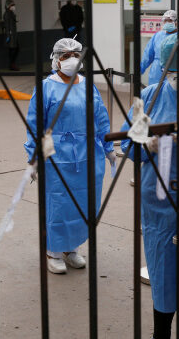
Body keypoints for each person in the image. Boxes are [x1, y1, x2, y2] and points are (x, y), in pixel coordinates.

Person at [120, 33, 179, 339]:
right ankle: (161, 333)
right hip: (158, 203)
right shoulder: (151, 96)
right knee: (164, 272)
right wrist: (147, 145)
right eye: (173, 73)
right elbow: (129, 145)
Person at [24, 38, 116, 274]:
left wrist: (109, 148)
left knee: (83, 204)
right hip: (56, 156)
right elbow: (35, 124)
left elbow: (100, 117)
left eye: (75, 55)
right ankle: (53, 251)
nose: (71, 60)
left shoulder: (88, 85)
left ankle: (71, 248)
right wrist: (33, 157)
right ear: (55, 60)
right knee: (59, 202)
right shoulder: (46, 87)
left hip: (89, 155)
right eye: (65, 56)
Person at [141, 10, 178, 86]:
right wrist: (139, 70)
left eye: (170, 20)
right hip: (156, 73)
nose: (167, 23)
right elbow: (147, 56)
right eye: (165, 20)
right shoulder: (157, 36)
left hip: (174, 72)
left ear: (176, 22)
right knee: (155, 95)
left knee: (171, 95)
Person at [3, 0, 19, 71]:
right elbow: (7, 25)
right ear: (8, 6)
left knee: (14, 49)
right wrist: (8, 35)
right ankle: (12, 64)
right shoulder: (7, 14)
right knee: (13, 49)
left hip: (13, 34)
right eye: (12, 5)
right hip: (10, 35)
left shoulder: (11, 13)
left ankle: (12, 64)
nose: (13, 6)